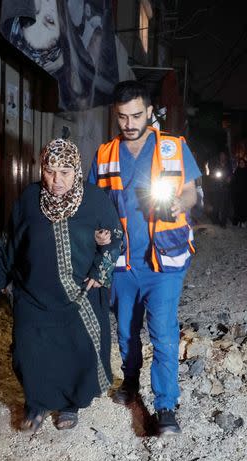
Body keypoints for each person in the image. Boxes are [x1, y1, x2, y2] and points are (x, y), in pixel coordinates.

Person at [87, 80, 201, 435]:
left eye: (137, 115)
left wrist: (180, 202)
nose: (130, 123)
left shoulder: (173, 148)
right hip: (123, 263)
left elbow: (192, 193)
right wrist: (96, 233)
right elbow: (93, 205)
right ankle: (131, 379)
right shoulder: (105, 155)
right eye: (123, 117)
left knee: (163, 333)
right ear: (115, 116)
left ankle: (165, 405)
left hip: (164, 261)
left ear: (150, 112)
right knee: (126, 331)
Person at [0, 138, 123, 433]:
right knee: (29, 350)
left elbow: (115, 238)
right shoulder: (29, 198)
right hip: (33, 292)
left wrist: (101, 269)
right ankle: (36, 404)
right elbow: (10, 239)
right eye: (50, 171)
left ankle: (69, 405)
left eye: (65, 171)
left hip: (79, 294)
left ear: (77, 171)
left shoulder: (95, 200)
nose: (56, 179)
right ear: (41, 169)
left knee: (76, 349)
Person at [210, 151, 232, 227]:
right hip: (216, 187)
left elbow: (231, 174)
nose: (222, 157)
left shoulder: (228, 165)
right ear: (219, 156)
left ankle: (223, 222)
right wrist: (214, 176)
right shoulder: (216, 165)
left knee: (224, 206)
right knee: (216, 205)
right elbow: (211, 174)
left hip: (225, 188)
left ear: (225, 156)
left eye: (223, 155)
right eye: (221, 155)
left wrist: (230, 178)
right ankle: (215, 220)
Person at [231, 157, 247, 226]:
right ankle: (238, 220)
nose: (241, 164)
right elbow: (234, 182)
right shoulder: (236, 171)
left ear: (245, 164)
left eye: (243, 163)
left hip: (245, 193)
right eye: (240, 163)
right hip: (237, 193)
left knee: (245, 207)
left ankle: (243, 220)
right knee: (238, 207)